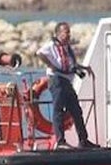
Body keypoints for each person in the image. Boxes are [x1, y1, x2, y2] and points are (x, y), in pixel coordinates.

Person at [37, 21, 97, 149]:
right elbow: (40, 53)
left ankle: (83, 140)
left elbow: (70, 64)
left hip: (67, 81)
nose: (69, 35)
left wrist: (84, 68)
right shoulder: (51, 46)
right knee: (58, 109)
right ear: (58, 33)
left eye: (69, 32)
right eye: (66, 32)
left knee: (76, 110)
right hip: (56, 79)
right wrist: (51, 65)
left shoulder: (67, 48)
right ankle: (60, 141)